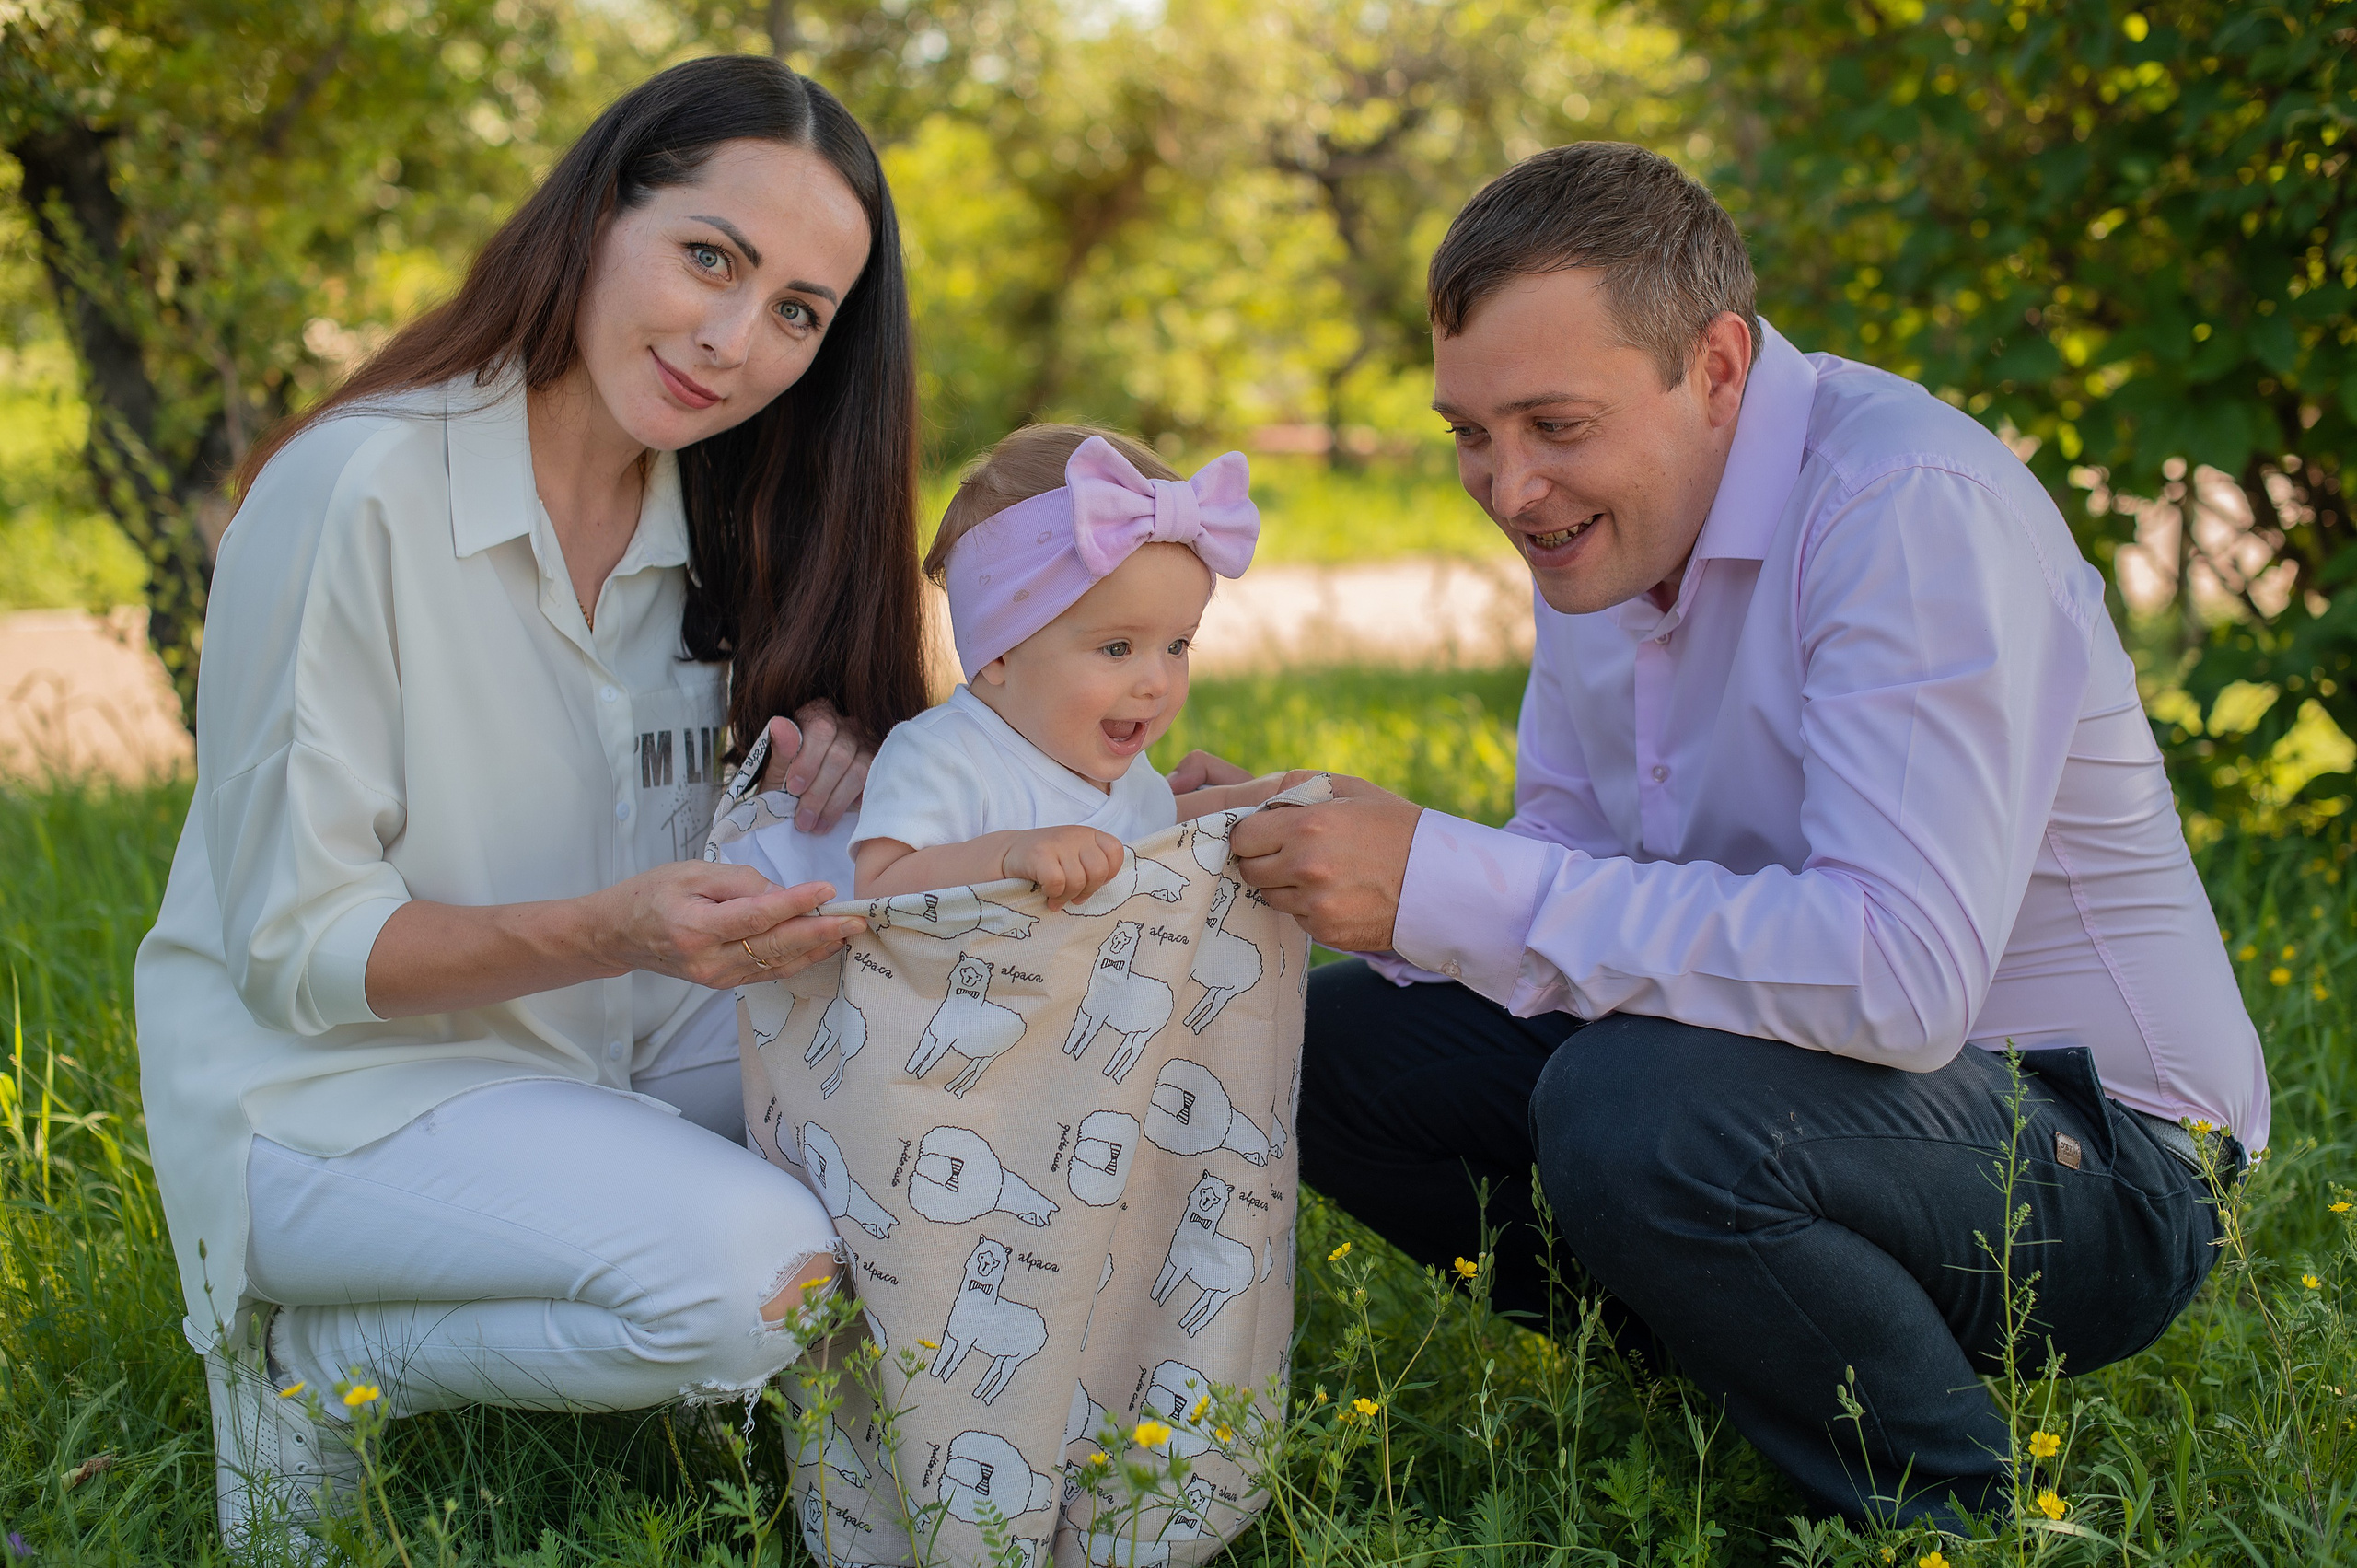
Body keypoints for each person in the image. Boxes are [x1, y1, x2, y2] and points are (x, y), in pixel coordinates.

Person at [1214, 142, 2268, 1525]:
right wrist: (1322, 850)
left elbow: (1899, 976)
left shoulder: (1905, 509)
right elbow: (1573, 877)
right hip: (1803, 1087)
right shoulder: (1606, 526)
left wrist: (1444, 879)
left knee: (1635, 1106)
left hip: (2103, 1156)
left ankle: (1946, 1516)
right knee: (1325, 1044)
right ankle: (1738, 1365)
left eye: (1554, 424)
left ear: (1714, 366)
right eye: (1470, 432)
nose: (1510, 489)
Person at [133, 56, 926, 1559]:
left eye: (795, 314)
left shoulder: (723, 518)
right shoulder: (355, 490)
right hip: (333, 1096)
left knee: (920, 1132)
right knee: (756, 1272)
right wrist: (614, 925)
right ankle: (320, 1365)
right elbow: (294, 952)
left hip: (602, 1049)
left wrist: (830, 759)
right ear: (598, 212)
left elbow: (733, 838)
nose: (731, 338)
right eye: (711, 256)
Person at [852, 424, 1297, 908]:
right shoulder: (943, 757)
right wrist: (1006, 856)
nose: (1157, 683)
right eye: (1117, 648)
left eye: (1177, 647)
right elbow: (878, 886)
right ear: (1002, 650)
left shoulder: (1126, 774)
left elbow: (1159, 835)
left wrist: (1258, 800)